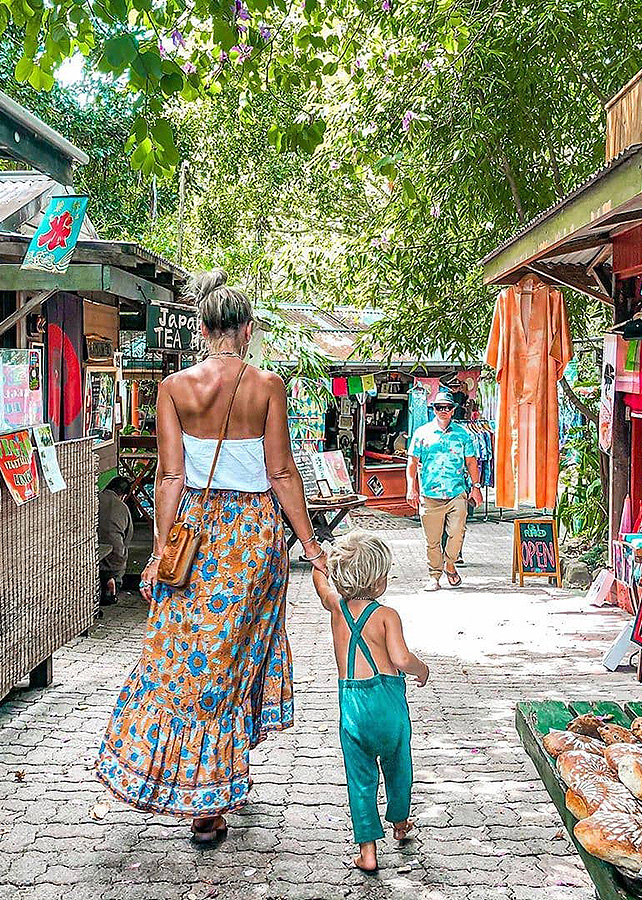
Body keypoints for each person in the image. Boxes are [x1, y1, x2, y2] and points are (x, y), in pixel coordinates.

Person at [96, 269, 327, 843]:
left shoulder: (174, 388)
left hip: (194, 532)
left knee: (182, 660)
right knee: (232, 660)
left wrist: (160, 549)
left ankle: (200, 785)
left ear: (200, 327)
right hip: (252, 540)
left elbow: (169, 475)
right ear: (246, 330)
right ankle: (211, 795)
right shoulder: (267, 385)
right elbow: (280, 471)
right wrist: (313, 543)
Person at [312, 531, 429, 874]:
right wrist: (422, 671)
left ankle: (367, 852)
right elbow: (401, 658)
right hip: (388, 704)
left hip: (352, 707)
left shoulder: (336, 607)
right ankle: (400, 823)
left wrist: (318, 560)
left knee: (360, 780)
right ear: (378, 581)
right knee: (398, 766)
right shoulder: (386, 615)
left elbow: (322, 586)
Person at [405, 388, 482, 590]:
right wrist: (410, 488)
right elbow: (412, 463)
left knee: (457, 533)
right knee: (432, 540)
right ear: (434, 409)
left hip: (456, 492)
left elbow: (471, 463)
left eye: (447, 407)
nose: (443, 411)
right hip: (429, 494)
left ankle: (450, 563)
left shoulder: (463, 434)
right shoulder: (421, 433)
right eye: (439, 407)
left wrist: (476, 487)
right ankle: (434, 576)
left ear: (453, 410)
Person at [98, 476, 134, 606]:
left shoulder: (94, 500)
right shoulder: (123, 508)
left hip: (93, 553)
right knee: (120, 554)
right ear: (124, 495)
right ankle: (113, 583)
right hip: (115, 560)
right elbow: (127, 538)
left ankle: (104, 582)